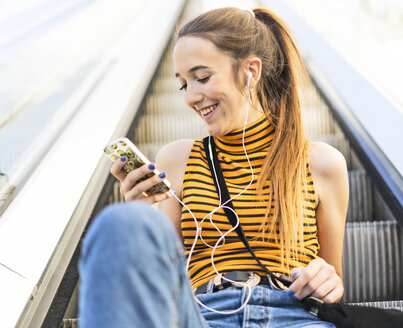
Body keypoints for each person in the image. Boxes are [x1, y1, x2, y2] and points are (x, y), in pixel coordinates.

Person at [79, 7, 349, 328]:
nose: (191, 97)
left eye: (202, 78)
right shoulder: (177, 160)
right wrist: (141, 217)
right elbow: (167, 283)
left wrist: (328, 280)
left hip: (294, 314)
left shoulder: (322, 163)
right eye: (183, 84)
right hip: (203, 315)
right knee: (119, 223)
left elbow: (334, 290)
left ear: (251, 70)